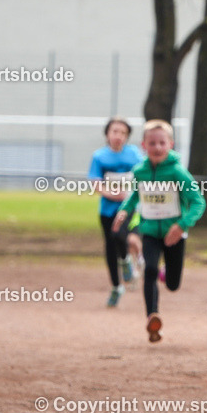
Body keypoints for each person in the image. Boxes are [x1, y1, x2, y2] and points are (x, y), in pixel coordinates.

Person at [112, 120, 204, 342]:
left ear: (170, 144)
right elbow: (135, 195)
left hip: (174, 235)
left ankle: (167, 274)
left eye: (162, 143)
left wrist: (182, 224)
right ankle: (152, 318)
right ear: (144, 145)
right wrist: (124, 211)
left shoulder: (178, 172)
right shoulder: (140, 171)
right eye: (152, 143)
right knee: (150, 270)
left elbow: (198, 203)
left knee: (173, 284)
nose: (157, 147)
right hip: (150, 231)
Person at [89, 117, 142, 307]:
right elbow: (95, 182)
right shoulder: (100, 157)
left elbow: (143, 175)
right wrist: (111, 194)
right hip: (107, 210)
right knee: (110, 248)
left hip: (128, 207)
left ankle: (127, 260)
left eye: (122, 133)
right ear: (107, 134)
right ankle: (116, 287)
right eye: (115, 131)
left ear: (127, 136)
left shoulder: (134, 155)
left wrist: (130, 194)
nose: (118, 136)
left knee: (120, 234)